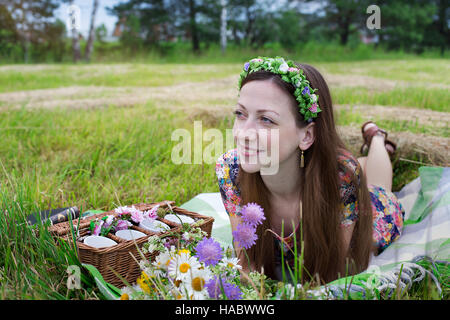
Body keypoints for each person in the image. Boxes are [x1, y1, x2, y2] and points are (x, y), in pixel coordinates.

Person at [215, 56, 405, 285]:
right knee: (351, 166)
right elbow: (246, 264)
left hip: (367, 213)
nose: (244, 133)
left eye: (266, 119)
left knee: (379, 188)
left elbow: (332, 276)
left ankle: (377, 138)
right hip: (324, 168)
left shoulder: (341, 177)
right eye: (240, 114)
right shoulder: (231, 170)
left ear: (306, 135)